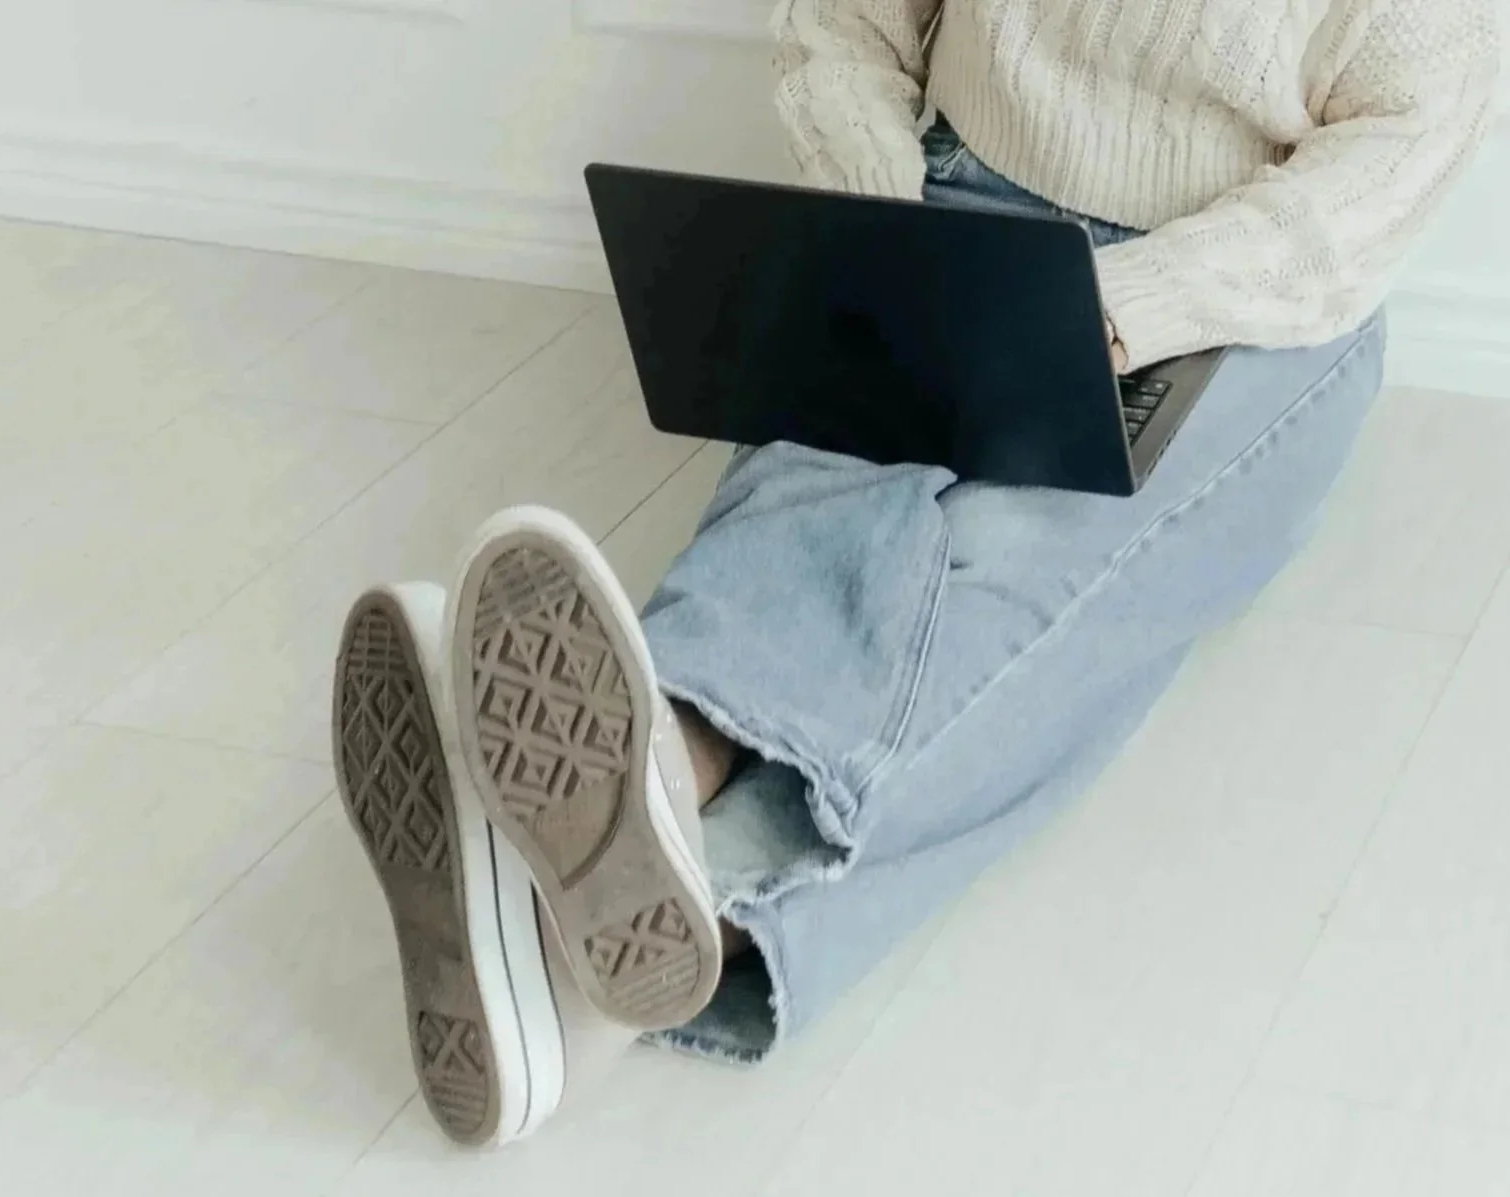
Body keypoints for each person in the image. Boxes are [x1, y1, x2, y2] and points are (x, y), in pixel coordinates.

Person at [331, 0, 1501, 1148]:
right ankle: (650, 784)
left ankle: (590, 932)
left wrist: (1118, 311)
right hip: (952, 202)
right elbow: (845, 23)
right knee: (810, 489)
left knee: (1014, 578)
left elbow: (1383, 164)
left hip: (1242, 297)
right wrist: (879, 226)